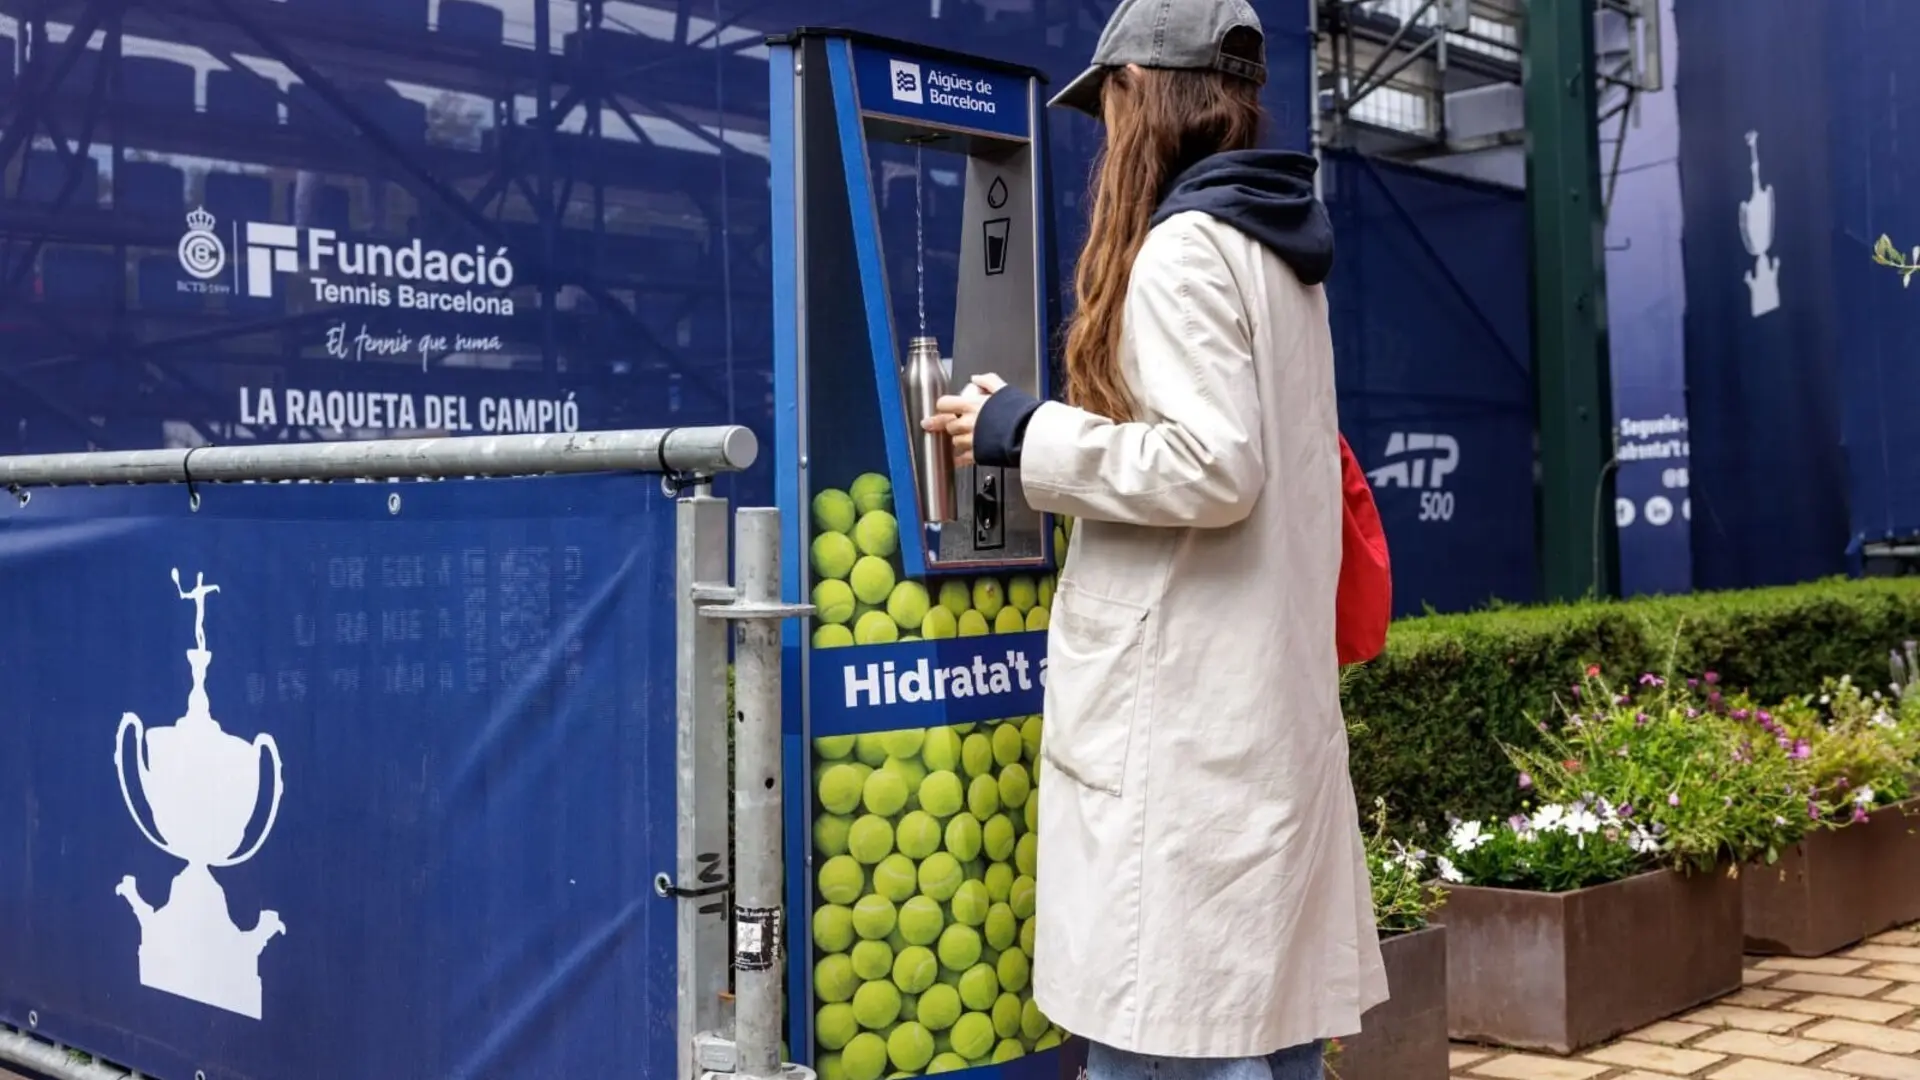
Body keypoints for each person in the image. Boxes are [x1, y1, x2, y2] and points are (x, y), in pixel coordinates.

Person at [919, 0, 1388, 1077]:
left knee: (1166, 1038)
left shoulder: (1181, 253)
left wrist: (1023, 429)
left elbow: (1213, 465)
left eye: (1110, 99)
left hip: (1184, 726)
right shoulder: (1276, 253)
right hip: (1253, 704)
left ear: (1143, 92)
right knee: (1260, 1036)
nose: (1103, 128)